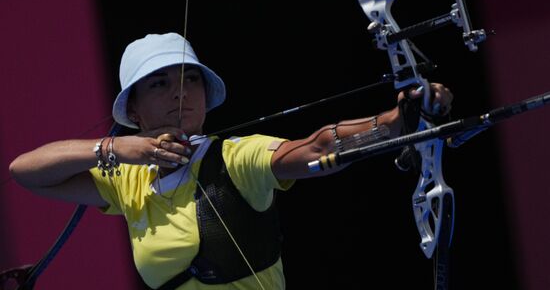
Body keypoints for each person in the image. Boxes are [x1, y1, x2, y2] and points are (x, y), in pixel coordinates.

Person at [9, 32, 453, 289]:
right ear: (134, 111)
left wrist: (397, 120)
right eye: (160, 84)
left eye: (190, 80)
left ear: (206, 96)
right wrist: (114, 149)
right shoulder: (127, 182)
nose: (180, 92)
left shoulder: (234, 158)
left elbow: (316, 148)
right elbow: (25, 172)